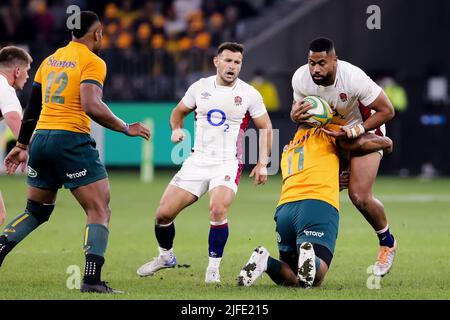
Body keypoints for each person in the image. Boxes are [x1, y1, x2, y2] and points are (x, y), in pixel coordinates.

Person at [2, 11, 150, 294]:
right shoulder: (93, 61)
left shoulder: (50, 60)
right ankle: (92, 280)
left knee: (36, 211)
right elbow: (91, 104)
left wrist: (22, 145)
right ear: (96, 34)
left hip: (42, 139)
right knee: (99, 208)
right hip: (70, 140)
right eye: (102, 34)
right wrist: (124, 127)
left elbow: (32, 108)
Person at [137, 42, 273, 283]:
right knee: (162, 215)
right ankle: (165, 257)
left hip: (227, 162)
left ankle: (213, 269)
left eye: (237, 62)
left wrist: (262, 163)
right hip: (197, 160)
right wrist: (176, 129)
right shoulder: (199, 88)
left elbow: (265, 127)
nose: (232, 66)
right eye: (228, 61)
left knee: (218, 208)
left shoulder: (249, 93)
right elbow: (178, 112)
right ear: (216, 62)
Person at [238, 123, 393, 288]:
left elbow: (313, 168)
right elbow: (361, 144)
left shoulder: (289, 146)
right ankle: (310, 257)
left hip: (284, 210)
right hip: (317, 205)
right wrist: (386, 142)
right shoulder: (331, 133)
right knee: (315, 278)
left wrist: (337, 176)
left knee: (294, 277)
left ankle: (266, 262)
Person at [290, 37, 397, 277]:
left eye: (321, 63)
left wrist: (357, 130)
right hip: (331, 134)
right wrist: (294, 114)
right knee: (311, 189)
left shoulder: (353, 78)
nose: (315, 69)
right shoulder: (300, 77)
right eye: (311, 63)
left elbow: (387, 110)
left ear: (334, 60)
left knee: (358, 196)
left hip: (363, 131)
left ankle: (387, 242)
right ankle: (303, 252)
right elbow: (298, 115)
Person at [0, 46, 33, 226]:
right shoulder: (4, 89)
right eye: (27, 71)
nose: (28, 77)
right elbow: (14, 120)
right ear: (17, 71)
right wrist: (27, 146)